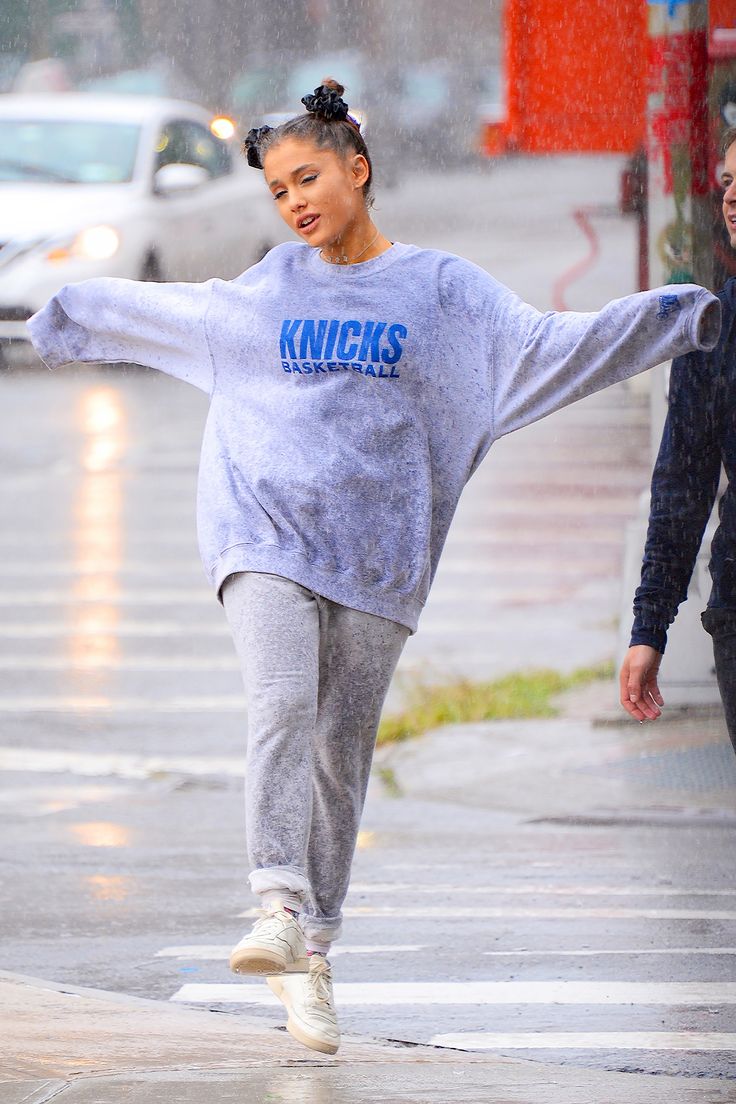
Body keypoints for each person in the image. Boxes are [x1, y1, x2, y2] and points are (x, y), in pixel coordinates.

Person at [27, 79, 721, 1056]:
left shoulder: (440, 292)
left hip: (378, 558)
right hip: (261, 536)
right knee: (281, 704)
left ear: (357, 168)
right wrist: (69, 312)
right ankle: (275, 899)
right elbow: (174, 314)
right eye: (277, 191)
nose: (294, 203)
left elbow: (542, 348)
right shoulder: (269, 287)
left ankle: (312, 954)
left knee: (341, 754)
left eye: (307, 178)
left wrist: (669, 318)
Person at [620, 126, 736, 750]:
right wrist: (648, 628)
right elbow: (682, 491)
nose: (732, 198)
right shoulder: (712, 330)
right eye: (727, 182)